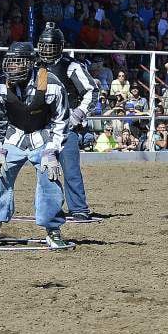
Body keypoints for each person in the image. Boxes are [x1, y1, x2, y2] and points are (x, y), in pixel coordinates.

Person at [0, 41, 72, 249]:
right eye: (10, 62)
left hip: (44, 137)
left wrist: (52, 150)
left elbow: (61, 120)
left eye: (18, 63)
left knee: (49, 177)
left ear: (31, 63)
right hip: (12, 138)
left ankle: (53, 230)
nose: (12, 67)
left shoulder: (51, 83)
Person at [36, 22, 101, 222]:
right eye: (43, 46)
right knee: (45, 171)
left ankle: (79, 208)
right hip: (42, 127)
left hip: (67, 127)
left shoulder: (72, 66)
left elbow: (91, 90)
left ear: (60, 46)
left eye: (51, 46)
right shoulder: (36, 67)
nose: (46, 50)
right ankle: (51, 207)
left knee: (71, 169)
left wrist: (78, 113)